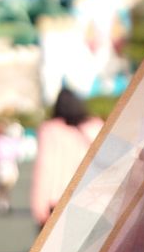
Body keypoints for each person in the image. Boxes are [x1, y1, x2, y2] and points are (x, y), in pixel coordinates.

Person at [31, 87, 104, 227]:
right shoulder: (95, 126)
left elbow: (44, 168)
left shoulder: (50, 130)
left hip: (59, 200)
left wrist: (39, 205)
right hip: (92, 199)